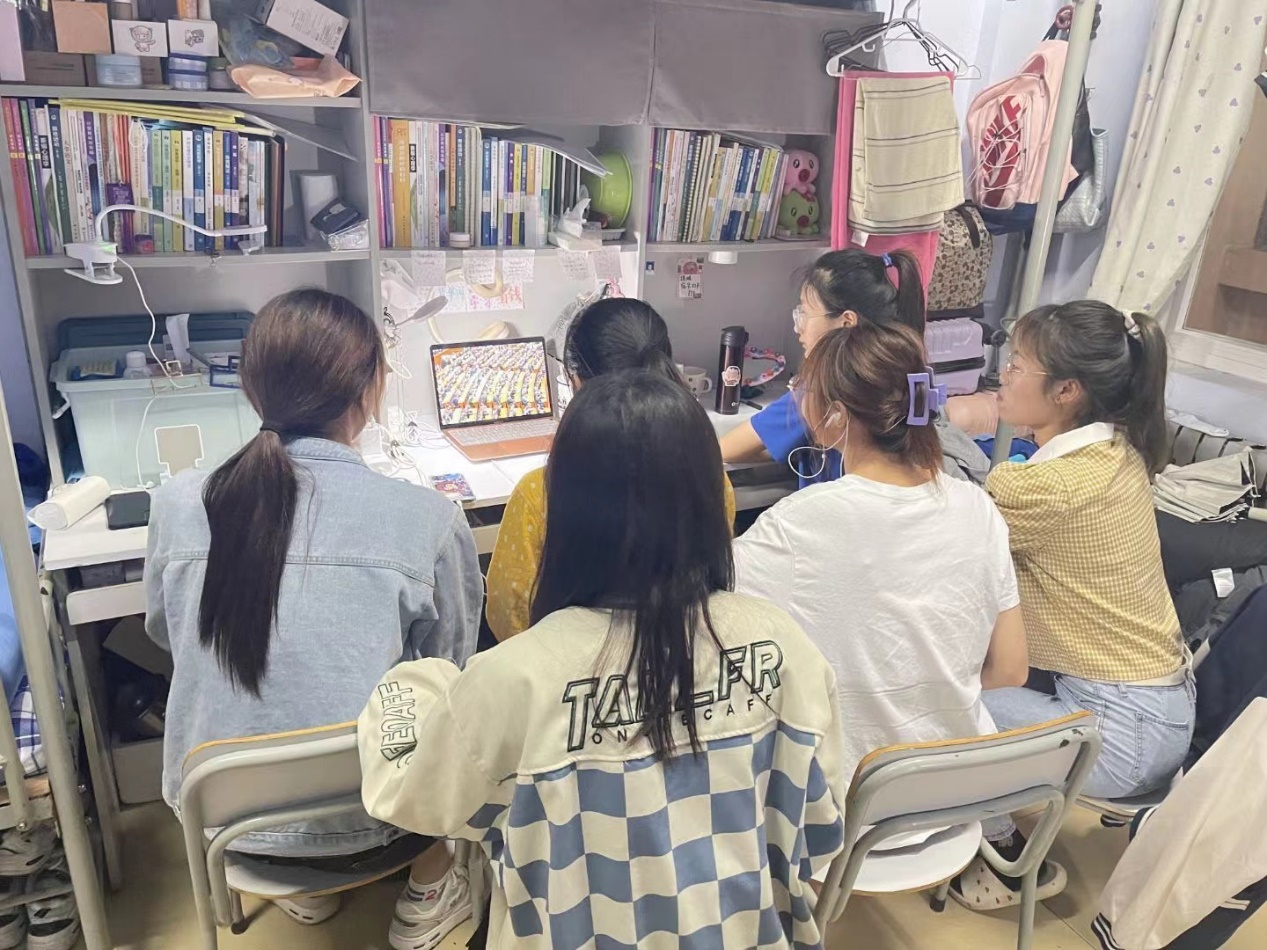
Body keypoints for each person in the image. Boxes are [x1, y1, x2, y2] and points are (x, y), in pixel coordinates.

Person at [358, 371, 847, 948]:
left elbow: (414, 797)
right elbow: (820, 830)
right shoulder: (781, 643)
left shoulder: (517, 676)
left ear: (565, 506)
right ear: (707, 497)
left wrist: (415, 681)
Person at [145, 290, 484, 948]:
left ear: (252, 388)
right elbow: (450, 666)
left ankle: (303, 891)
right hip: (381, 825)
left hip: (225, 832)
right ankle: (427, 891)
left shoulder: (178, 504)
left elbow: (167, 634)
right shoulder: (428, 518)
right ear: (370, 390)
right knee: (445, 703)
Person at [954, 301, 1193, 910]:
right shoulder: (1119, 452)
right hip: (1163, 715)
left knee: (944, 701)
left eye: (1017, 366)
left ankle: (1006, 862)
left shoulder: (1042, 485)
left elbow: (950, 550)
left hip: (1123, 736)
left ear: (1067, 391)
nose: (1003, 375)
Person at [732, 321, 1028, 784]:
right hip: (957, 792)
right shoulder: (978, 507)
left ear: (835, 415)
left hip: (847, 803)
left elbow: (704, 605)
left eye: (801, 391)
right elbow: (1010, 669)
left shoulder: (801, 522)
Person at [485, 297, 736, 641]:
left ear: (576, 380)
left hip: (564, 664)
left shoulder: (541, 491)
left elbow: (508, 615)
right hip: (682, 654)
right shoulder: (711, 478)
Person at [718, 248, 926, 486]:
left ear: (846, 322)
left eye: (805, 313)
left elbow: (725, 449)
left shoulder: (820, 391)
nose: (798, 327)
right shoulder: (906, 379)